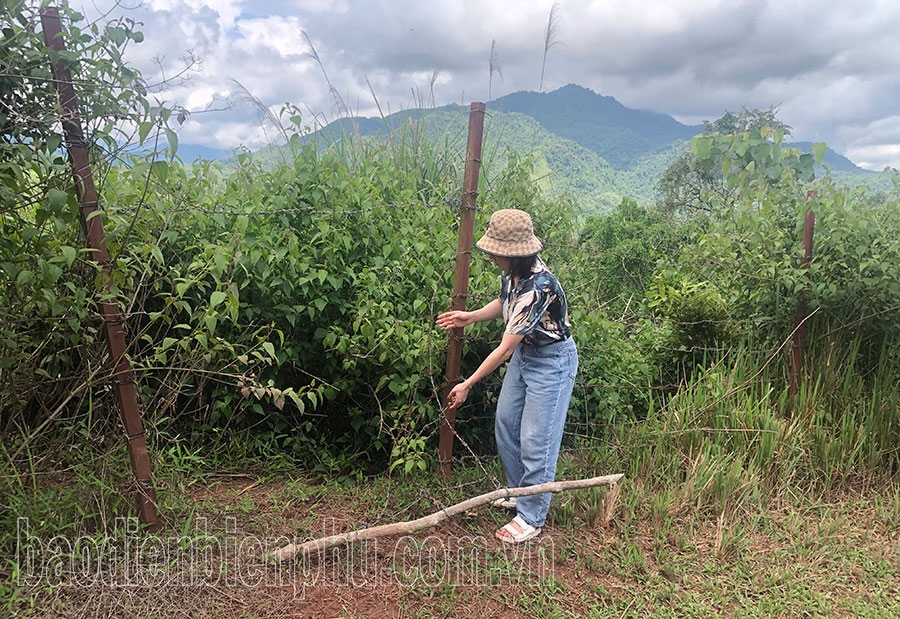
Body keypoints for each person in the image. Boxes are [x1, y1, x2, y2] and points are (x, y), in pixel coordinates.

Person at [436, 209, 578, 544]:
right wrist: (470, 317)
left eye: (495, 252)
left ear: (512, 254)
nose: (491, 256)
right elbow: (504, 303)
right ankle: (520, 492)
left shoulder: (539, 287)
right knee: (506, 423)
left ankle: (532, 516)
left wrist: (467, 384)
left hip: (551, 362)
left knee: (536, 439)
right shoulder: (514, 275)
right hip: (527, 355)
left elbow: (503, 350)